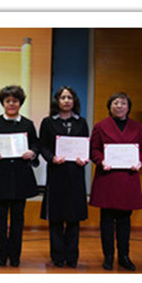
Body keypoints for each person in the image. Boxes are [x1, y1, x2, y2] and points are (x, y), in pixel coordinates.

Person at [0, 85, 40, 267]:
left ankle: (15, 255)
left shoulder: (27, 124)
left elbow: (36, 145)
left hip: (20, 177)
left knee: (18, 218)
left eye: (15, 101)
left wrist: (32, 152)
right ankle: (1, 253)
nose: (11, 104)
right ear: (3, 103)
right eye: (8, 101)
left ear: (20, 103)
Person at [89, 91, 142, 270]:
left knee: (125, 220)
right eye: (116, 103)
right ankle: (108, 256)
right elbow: (94, 150)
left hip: (128, 177)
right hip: (107, 177)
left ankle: (124, 256)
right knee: (106, 219)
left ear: (128, 107)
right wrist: (101, 161)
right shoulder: (100, 126)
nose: (119, 106)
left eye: (123, 103)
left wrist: (140, 162)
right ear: (110, 106)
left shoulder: (137, 127)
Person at [39, 86, 89, 268]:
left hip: (75, 173)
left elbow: (85, 145)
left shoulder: (81, 122)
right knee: (56, 217)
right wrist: (51, 158)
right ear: (57, 101)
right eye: (63, 97)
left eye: (69, 97)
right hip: (56, 173)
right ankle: (58, 256)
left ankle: (72, 256)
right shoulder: (48, 122)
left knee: (74, 217)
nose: (66, 101)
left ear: (74, 101)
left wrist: (84, 159)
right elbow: (43, 146)